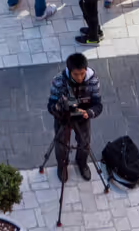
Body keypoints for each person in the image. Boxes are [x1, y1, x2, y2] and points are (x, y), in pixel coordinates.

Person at [48, 52, 103, 182]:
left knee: (85, 143)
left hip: (82, 117)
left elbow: (98, 105)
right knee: (61, 144)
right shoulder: (58, 82)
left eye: (82, 74)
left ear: (86, 70)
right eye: (76, 74)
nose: (79, 78)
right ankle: (62, 166)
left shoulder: (93, 81)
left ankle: (82, 163)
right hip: (63, 118)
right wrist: (58, 108)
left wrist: (88, 113)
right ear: (69, 71)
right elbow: (50, 105)